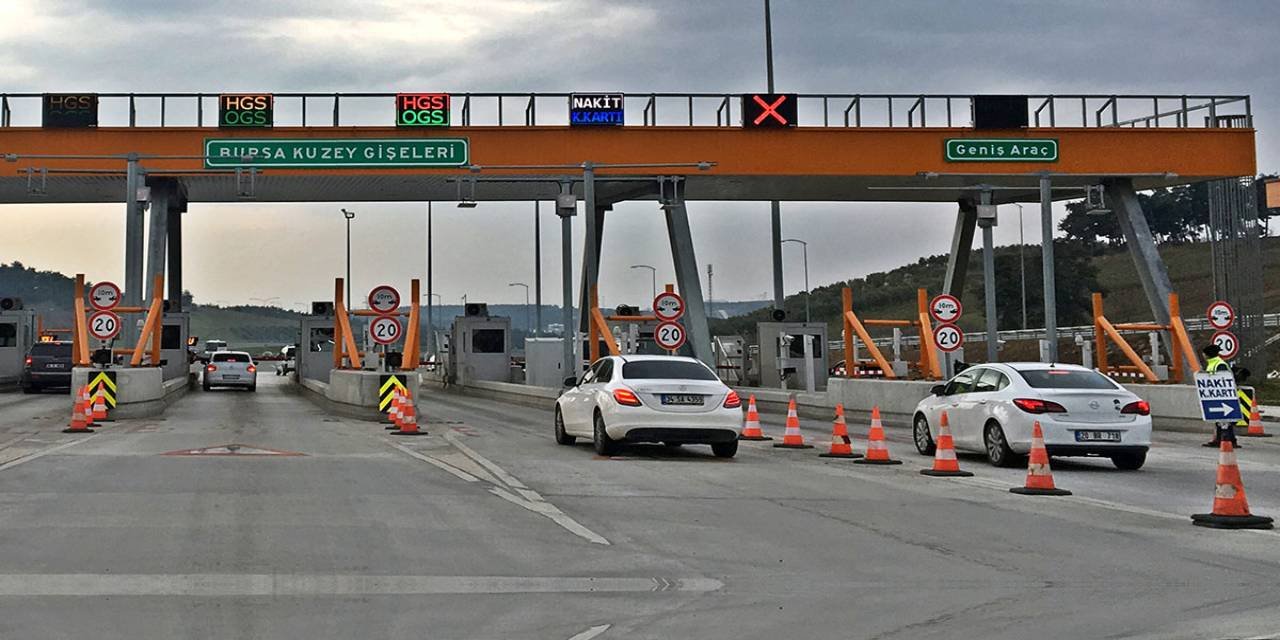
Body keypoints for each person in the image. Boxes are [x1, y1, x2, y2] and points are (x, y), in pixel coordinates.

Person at [1201, 344, 1240, 448]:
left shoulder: (1219, 364)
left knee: (1225, 420)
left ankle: (1229, 440)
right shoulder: (1213, 363)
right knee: (1219, 419)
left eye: (1204, 354)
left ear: (1207, 354)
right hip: (1216, 395)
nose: (1203, 355)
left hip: (1224, 395)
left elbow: (1223, 379)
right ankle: (1220, 439)